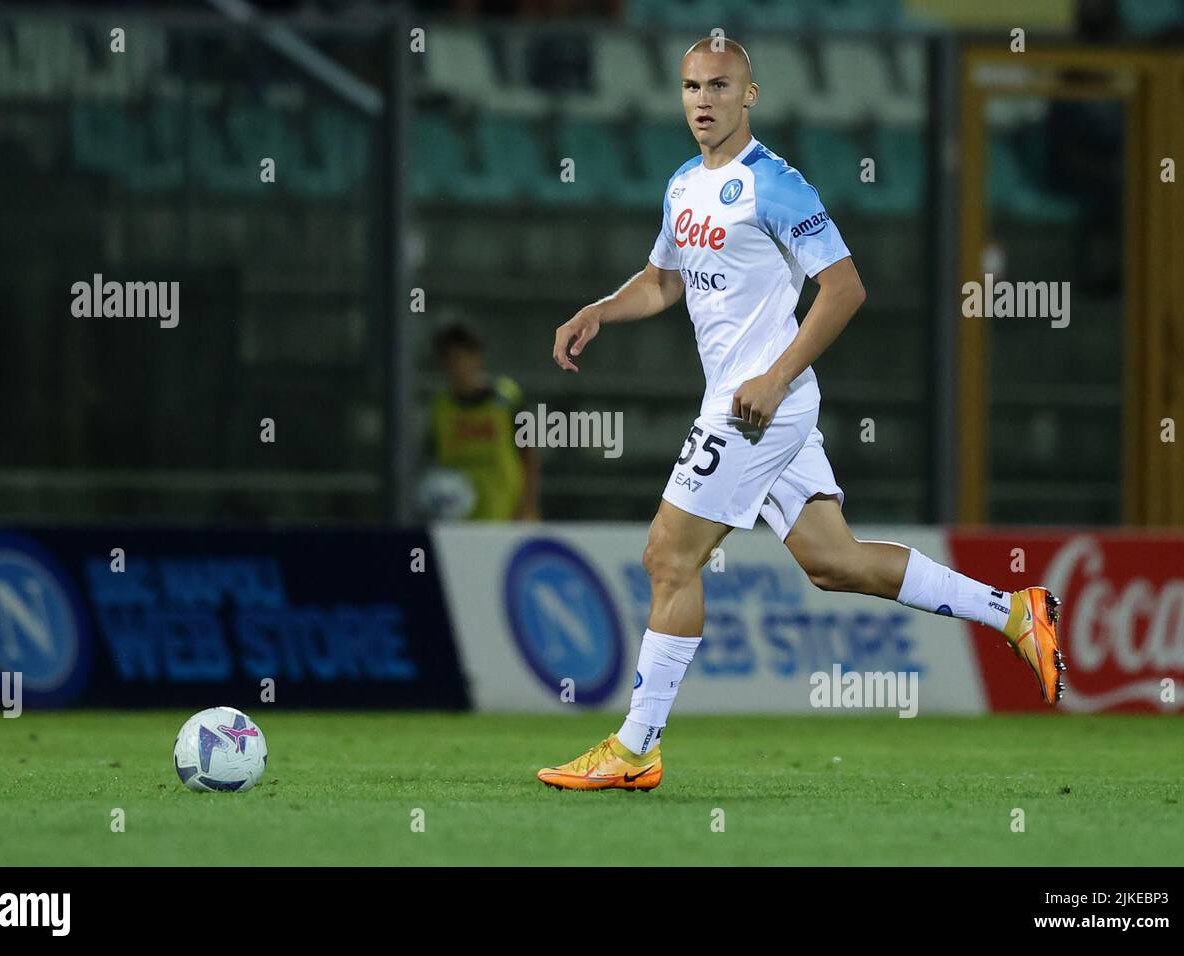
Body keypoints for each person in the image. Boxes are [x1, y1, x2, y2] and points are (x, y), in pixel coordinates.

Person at [537, 37, 1064, 792]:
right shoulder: (684, 183)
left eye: (719, 85)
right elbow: (661, 282)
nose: (702, 99)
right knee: (833, 562)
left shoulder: (777, 185)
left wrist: (778, 378)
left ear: (750, 94)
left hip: (759, 406)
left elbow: (845, 288)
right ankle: (1013, 612)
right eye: (690, 86)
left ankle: (635, 748)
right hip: (751, 401)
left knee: (668, 556)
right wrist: (599, 309)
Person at [427, 324, 539, 521]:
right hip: (458, 521)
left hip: (507, 516)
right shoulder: (441, 408)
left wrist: (527, 506)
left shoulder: (506, 398)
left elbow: (529, 456)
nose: (455, 367)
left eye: (460, 357)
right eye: (448, 359)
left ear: (477, 358)